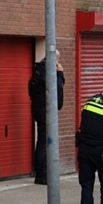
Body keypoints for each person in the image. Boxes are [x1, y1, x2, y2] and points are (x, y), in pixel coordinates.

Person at [28, 49, 64, 185]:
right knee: (44, 142)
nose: (59, 62)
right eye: (57, 59)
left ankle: (42, 172)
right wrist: (60, 73)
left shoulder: (38, 72)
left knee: (43, 141)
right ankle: (42, 174)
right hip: (46, 111)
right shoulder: (47, 72)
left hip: (40, 109)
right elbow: (57, 86)